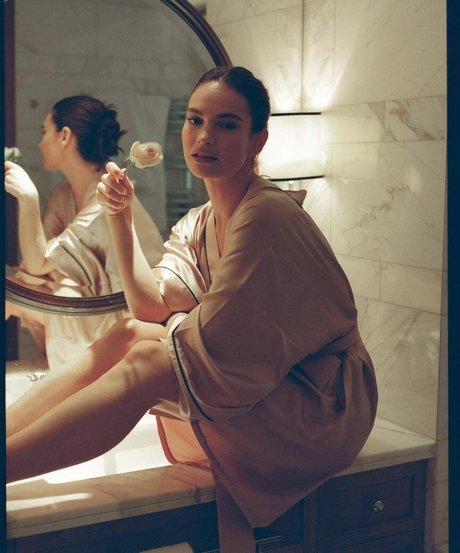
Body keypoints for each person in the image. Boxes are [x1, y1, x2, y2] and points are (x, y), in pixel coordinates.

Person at [6, 67, 378, 552]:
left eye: (227, 124)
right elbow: (150, 308)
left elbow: (216, 343)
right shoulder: (199, 221)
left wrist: (172, 327)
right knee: (130, 333)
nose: (204, 136)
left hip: (320, 407)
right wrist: (119, 216)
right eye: (196, 120)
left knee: (147, 355)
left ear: (258, 139)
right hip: (271, 385)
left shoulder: (266, 214)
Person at [4, 95, 164, 368]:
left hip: (130, 319)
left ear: (64, 136)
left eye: (45, 132)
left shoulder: (107, 195)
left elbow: (40, 262)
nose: (41, 143)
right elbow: (36, 267)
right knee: (15, 285)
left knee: (57, 293)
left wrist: (28, 198)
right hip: (91, 309)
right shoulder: (62, 195)